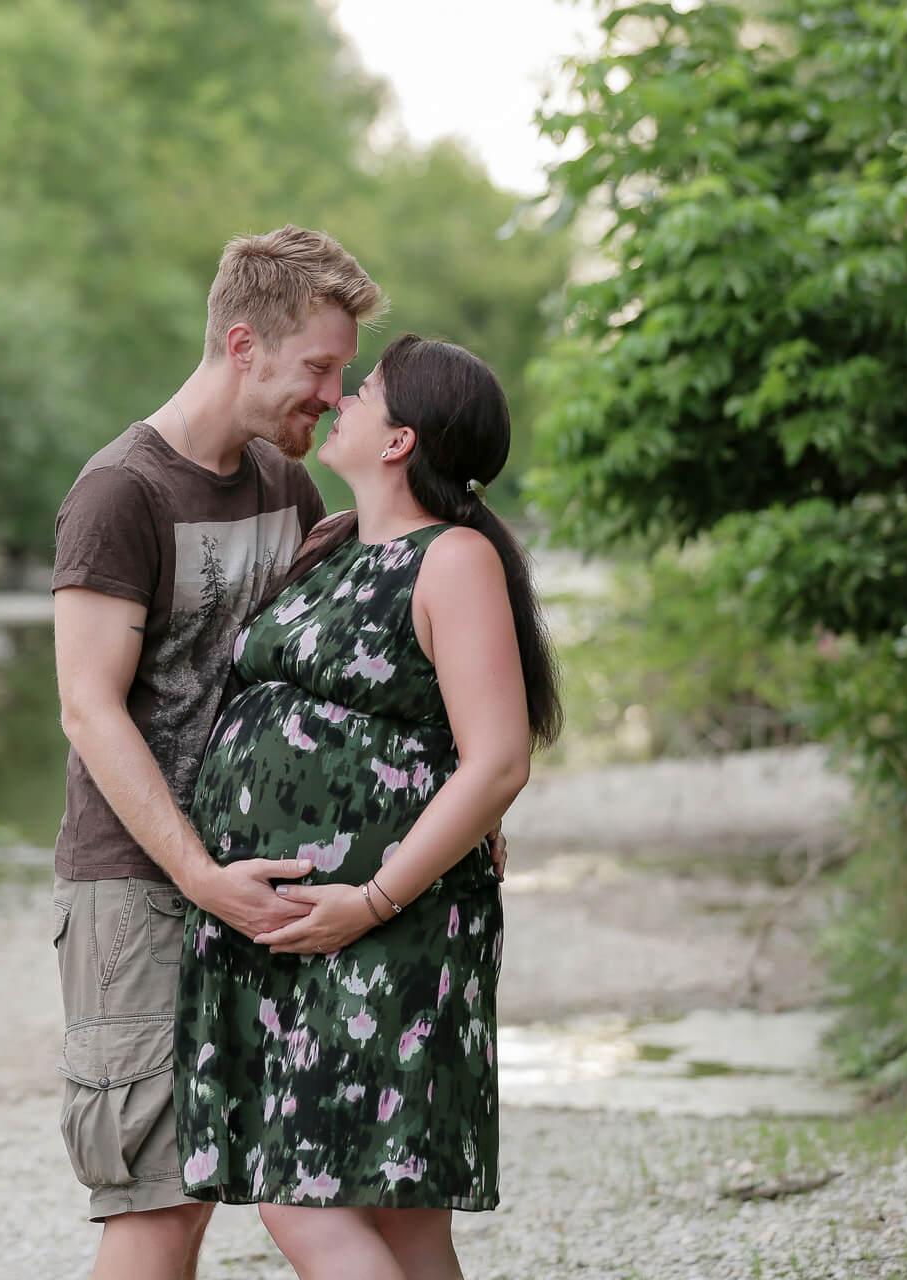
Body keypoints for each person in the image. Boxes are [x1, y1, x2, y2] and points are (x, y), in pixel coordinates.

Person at [173, 333, 562, 1280]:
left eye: (366, 390)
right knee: (404, 1218)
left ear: (399, 441)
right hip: (305, 927)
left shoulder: (454, 558)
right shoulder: (334, 546)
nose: (341, 399)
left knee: (304, 1193)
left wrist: (375, 898)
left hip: (388, 927)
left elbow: (497, 758)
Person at [48, 225, 384, 1280]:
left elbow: (339, 674)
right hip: (138, 884)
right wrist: (199, 875)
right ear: (244, 344)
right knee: (161, 1205)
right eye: (320, 367)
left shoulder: (286, 488)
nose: (335, 395)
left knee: (297, 1175)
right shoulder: (121, 492)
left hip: (265, 878)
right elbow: (88, 708)